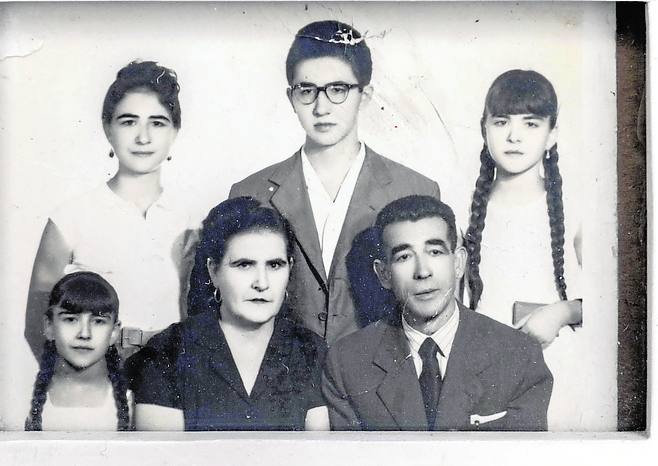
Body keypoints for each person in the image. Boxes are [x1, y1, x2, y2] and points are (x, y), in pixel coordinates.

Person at [227, 20, 441, 344]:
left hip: (382, 382)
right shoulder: (250, 193)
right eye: (307, 90)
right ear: (291, 97)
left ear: (365, 96)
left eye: (338, 89)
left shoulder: (414, 190)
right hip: (283, 387)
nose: (321, 107)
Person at [322, 195, 552, 431]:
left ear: (459, 263)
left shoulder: (519, 356)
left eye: (435, 252)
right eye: (404, 257)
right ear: (384, 274)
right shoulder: (347, 364)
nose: (423, 272)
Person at [25, 61, 195, 358]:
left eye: (157, 122)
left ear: (175, 131)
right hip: (97, 383)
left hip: (171, 384)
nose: (143, 137)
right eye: (128, 122)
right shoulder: (70, 218)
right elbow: (38, 328)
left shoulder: (194, 221)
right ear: (108, 129)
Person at [127, 197, 329, 431]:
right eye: (244, 265)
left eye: (274, 265)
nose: (262, 283)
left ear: (290, 269)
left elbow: (317, 455)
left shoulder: (310, 350)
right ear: (213, 271)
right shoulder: (169, 350)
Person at [463, 70, 584, 430]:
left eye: (531, 124)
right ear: (484, 128)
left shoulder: (577, 207)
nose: (514, 136)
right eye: (501, 122)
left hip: (559, 371)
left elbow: (619, 303)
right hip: (483, 372)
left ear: (552, 135)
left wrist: (561, 312)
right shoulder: (460, 207)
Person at [25, 272, 131, 431]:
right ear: (49, 326)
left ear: (114, 332)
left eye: (98, 321)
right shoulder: (21, 400)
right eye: (70, 319)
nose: (84, 334)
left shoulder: (132, 401)